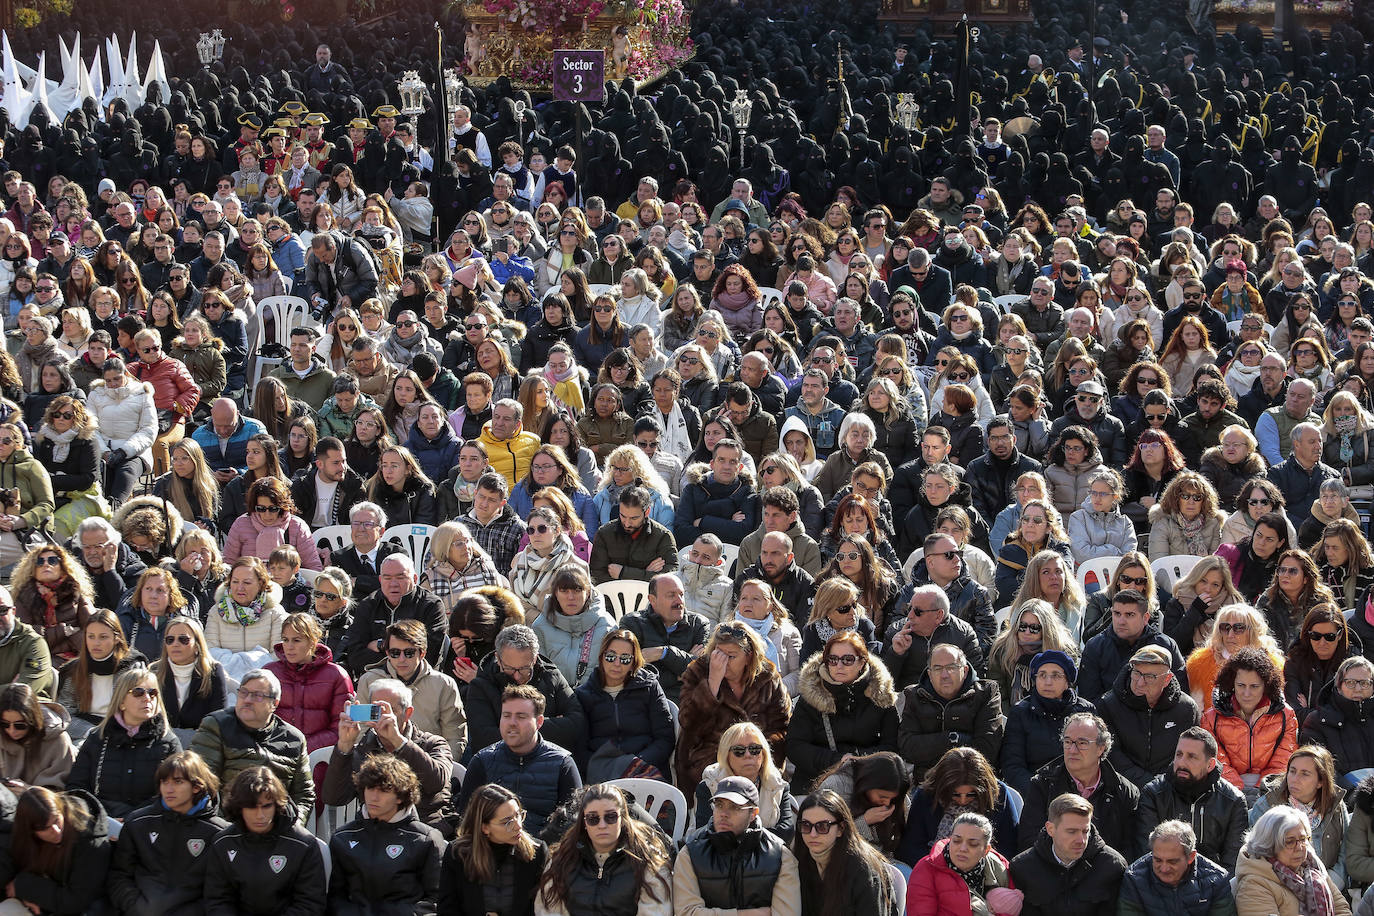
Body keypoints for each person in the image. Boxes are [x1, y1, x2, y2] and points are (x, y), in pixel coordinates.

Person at [323, 676, 456, 835]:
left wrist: (399, 742)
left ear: (408, 713)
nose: (384, 717)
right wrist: (344, 746)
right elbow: (333, 798)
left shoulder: (432, 744)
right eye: (377, 710)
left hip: (424, 831)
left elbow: (435, 783)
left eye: (391, 710)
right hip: (375, 833)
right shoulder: (365, 749)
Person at [108, 750, 233, 916]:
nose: (169, 789)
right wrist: (136, 906)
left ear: (197, 786)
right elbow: (119, 875)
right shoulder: (138, 822)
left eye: (178, 782)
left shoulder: (218, 834)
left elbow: (220, 892)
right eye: (164, 782)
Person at [675, 621, 790, 793]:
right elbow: (688, 722)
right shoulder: (698, 672)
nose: (723, 661)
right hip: (708, 755)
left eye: (731, 656)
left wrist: (753, 751)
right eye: (719, 653)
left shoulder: (768, 678)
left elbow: (782, 725)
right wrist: (712, 683)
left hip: (756, 754)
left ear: (749, 656)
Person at [189, 668, 314, 823]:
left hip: (276, 830)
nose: (247, 700)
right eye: (243, 692)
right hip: (227, 828)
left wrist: (293, 826)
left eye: (257, 696)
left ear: (274, 704)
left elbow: (304, 795)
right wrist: (223, 828)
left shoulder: (294, 739)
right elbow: (202, 784)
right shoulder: (217, 725)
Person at [327, 754, 446, 914]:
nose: (374, 797)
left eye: (383, 790)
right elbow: (335, 898)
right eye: (370, 788)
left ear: (401, 796)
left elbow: (437, 900)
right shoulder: (342, 838)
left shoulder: (426, 840)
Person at [534, 782, 674, 916]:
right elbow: (548, 911)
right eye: (593, 818)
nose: (602, 825)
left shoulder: (649, 862)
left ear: (623, 818)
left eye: (611, 817)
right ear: (584, 823)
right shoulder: (561, 860)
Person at [203, 766, 327, 915]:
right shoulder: (223, 843)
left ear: (277, 805)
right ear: (239, 807)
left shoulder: (304, 845)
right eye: (252, 807)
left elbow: (310, 904)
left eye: (266, 806)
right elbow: (217, 900)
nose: (260, 815)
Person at [671, 775, 802, 916]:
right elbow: (686, 912)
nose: (724, 814)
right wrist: (753, 914)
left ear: (753, 813)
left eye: (734, 807)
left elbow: (788, 913)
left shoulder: (779, 854)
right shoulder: (690, 851)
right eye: (719, 805)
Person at [460, 684, 581, 836]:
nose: (512, 722)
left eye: (521, 716)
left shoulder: (562, 764)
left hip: (544, 851)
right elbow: (467, 818)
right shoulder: (482, 761)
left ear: (539, 722)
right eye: (506, 715)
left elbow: (572, 824)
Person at [786, 631, 899, 793]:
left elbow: (892, 746)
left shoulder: (881, 696)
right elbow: (795, 746)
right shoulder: (811, 697)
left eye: (848, 660)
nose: (839, 666)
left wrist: (858, 760)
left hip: (868, 781)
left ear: (862, 663)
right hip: (815, 782)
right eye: (832, 660)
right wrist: (837, 760)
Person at [65, 665, 182, 819]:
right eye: (138, 692)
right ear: (121, 702)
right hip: (101, 824)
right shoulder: (97, 738)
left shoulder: (169, 742)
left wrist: (132, 819)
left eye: (153, 693)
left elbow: (177, 793)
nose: (147, 698)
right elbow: (76, 788)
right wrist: (102, 819)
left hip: (148, 826)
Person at [1136, 726, 1249, 870]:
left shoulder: (1233, 801)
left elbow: (1233, 865)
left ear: (1210, 765)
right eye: (1179, 754)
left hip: (1215, 886)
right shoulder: (1153, 794)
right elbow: (1147, 857)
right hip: (1162, 880)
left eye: (1191, 756)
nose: (1182, 763)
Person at [354, 619, 467, 759]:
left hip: (428, 764)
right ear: (387, 653)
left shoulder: (444, 684)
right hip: (378, 764)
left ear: (422, 653)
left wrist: (440, 768)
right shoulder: (369, 681)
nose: (401, 659)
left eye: (409, 653)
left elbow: (455, 737)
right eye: (395, 653)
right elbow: (360, 729)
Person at [574, 628, 675, 778]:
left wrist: (636, 765)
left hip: (645, 767)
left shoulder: (649, 686)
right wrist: (603, 768)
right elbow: (580, 747)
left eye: (625, 658)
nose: (617, 663)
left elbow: (665, 738)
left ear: (634, 662)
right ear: (602, 657)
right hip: (602, 770)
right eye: (610, 656)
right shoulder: (583, 694)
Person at [1201, 647, 1299, 800]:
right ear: (1232, 683)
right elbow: (1216, 760)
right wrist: (1237, 791)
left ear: (1266, 685)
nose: (1247, 693)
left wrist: (1262, 791)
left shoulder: (1286, 715)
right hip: (1225, 792)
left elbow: (1283, 760)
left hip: (1271, 791)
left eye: (1254, 686)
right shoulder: (1210, 718)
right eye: (1241, 686)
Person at [0, 784, 112, 916]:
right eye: (45, 828)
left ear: (61, 810)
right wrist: (27, 896)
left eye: (56, 820)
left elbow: (76, 900)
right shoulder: (25, 839)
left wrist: (25, 887)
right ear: (31, 831)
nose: (56, 830)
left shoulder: (89, 841)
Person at [439, 782, 549, 916]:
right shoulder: (458, 853)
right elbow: (447, 909)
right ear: (484, 827)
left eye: (518, 815)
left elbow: (544, 908)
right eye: (507, 822)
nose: (518, 826)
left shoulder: (537, 853)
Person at [1010, 792, 1128, 916]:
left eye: (1085, 831)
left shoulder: (1112, 866)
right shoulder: (1022, 868)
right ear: (1051, 829)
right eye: (1072, 832)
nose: (1081, 840)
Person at [1000, 650, 1097, 798]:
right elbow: (1013, 766)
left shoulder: (1085, 710)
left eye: (1056, 676)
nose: (1048, 682)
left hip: (1079, 793)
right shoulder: (1021, 712)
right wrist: (1040, 793)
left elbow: (1095, 758)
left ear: (1067, 681)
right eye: (1042, 675)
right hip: (1035, 793)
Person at [1249, 745, 1348, 889]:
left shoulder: (1336, 805)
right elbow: (1257, 856)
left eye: (1305, 774)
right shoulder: (1266, 806)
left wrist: (1330, 884)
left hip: (1330, 885)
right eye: (1292, 771)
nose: (1295, 779)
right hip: (1279, 887)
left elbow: (1346, 850)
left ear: (1321, 781)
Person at [791, 788, 900, 916]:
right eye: (806, 825)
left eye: (822, 826)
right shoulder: (799, 860)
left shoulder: (863, 869)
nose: (813, 834)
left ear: (841, 828)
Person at [1234, 804, 1351, 916]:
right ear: (1269, 845)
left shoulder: (1312, 866)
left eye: (1303, 839)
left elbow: (1341, 908)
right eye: (1290, 842)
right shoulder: (1254, 884)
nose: (1300, 848)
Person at [264, 612, 353, 755]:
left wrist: (302, 747)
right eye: (285, 640)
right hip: (274, 754)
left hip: (320, 758)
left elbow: (340, 727)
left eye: (297, 640)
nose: (289, 646)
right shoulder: (269, 672)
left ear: (312, 641)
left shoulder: (337, 675)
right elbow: (259, 720)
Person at [1077, 589, 1188, 702]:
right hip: (1110, 715)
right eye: (1117, 614)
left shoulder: (1165, 645)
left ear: (1145, 618)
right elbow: (1089, 700)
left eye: (1129, 615)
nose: (1121, 621)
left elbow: (1179, 693)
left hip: (1156, 715)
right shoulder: (1095, 647)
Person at [345, 553, 448, 671]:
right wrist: (407, 653)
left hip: (419, 680)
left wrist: (381, 645)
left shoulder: (431, 606)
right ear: (380, 580)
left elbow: (429, 656)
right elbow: (355, 658)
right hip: (377, 679)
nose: (393, 584)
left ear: (414, 579)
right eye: (387, 578)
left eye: (400, 577)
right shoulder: (368, 605)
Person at [908, 811, 1022, 916]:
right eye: (956, 841)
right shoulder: (926, 869)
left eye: (972, 844)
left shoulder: (1000, 867)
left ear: (986, 850)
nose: (962, 848)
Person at [1187, 605, 1285, 713]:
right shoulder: (1201, 663)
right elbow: (1197, 711)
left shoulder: (1273, 665)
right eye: (1225, 627)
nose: (1230, 635)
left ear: (1252, 632)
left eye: (1238, 628)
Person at [152, 616, 229, 744]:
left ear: (197, 645)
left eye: (183, 639)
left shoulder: (213, 672)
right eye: (170, 640)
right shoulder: (154, 672)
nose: (175, 644)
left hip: (202, 745)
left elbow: (219, 720)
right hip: (161, 744)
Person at [1299, 655, 1374, 779]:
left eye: (1365, 683)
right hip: (1339, 795)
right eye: (1350, 683)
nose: (1358, 688)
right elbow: (1315, 768)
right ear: (1339, 686)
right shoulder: (1317, 721)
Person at [589, 485, 678, 585]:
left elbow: (671, 576)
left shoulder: (663, 536)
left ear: (647, 512)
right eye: (623, 516)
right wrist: (647, 574)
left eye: (633, 518)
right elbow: (597, 575)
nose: (627, 523)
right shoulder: (604, 534)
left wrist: (624, 573)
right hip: (612, 598)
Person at [205, 556, 289, 655]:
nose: (240, 588)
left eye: (247, 582)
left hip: (265, 669)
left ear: (260, 583)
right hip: (225, 669)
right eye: (235, 582)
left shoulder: (275, 613)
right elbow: (210, 651)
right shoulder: (216, 612)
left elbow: (278, 653)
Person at [0, 681, 75, 788]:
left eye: (20, 725)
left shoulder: (58, 740)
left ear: (33, 720)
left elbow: (59, 792)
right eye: (5, 724)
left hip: (41, 802)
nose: (11, 730)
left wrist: (28, 791)